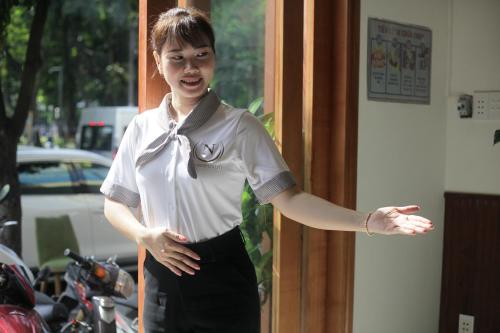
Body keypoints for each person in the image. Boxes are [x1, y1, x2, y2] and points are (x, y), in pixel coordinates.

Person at [100, 7, 434, 333]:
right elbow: (115, 203)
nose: (191, 67)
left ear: (214, 57)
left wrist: (367, 221)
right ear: (158, 61)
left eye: (202, 54)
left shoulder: (240, 126)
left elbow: (290, 200)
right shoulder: (142, 128)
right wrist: (143, 235)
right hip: (161, 283)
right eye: (177, 57)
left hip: (223, 278)